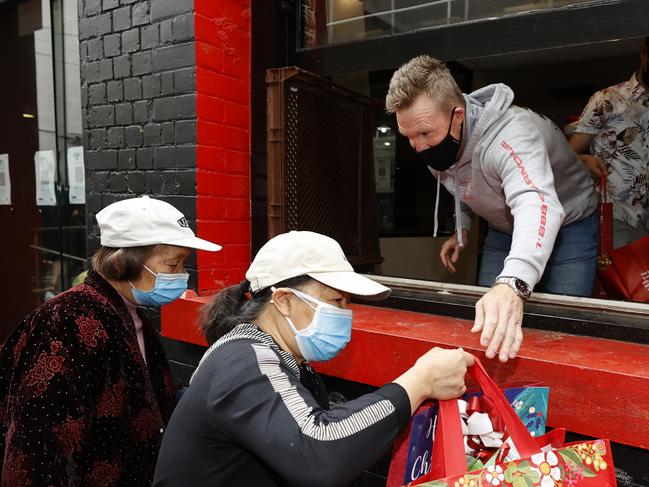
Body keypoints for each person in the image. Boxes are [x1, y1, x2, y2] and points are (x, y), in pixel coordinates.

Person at [153, 231, 474, 487]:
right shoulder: (247, 360)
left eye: (347, 303)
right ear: (284, 301)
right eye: (335, 301)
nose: (344, 314)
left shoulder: (285, 360)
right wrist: (419, 382)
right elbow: (319, 451)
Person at [385, 56, 599, 363]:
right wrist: (463, 229)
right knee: (489, 317)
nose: (418, 147)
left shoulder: (513, 133)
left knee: (566, 328)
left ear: (457, 116)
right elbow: (462, 183)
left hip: (571, 222)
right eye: (408, 138)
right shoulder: (436, 141)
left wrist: (513, 282)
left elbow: (535, 202)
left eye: (423, 134)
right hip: (504, 228)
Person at [0, 196, 221, 486]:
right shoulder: (65, 320)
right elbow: (37, 446)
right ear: (124, 262)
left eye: (183, 265)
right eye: (172, 264)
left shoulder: (131, 314)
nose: (181, 277)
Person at [569, 36, 649, 249]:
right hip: (616, 218)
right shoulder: (606, 99)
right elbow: (567, 156)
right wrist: (583, 160)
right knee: (621, 282)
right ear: (644, 53)